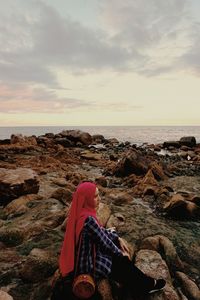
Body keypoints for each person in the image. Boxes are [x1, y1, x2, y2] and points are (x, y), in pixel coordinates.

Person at [58, 181, 166, 299]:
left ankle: (142, 284)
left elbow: (100, 233)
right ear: (86, 199)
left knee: (118, 252)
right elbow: (106, 243)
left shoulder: (80, 212)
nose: (99, 199)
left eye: (98, 195)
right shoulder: (88, 219)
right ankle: (147, 285)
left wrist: (117, 237)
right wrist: (122, 255)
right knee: (121, 262)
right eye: (95, 196)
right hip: (88, 266)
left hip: (83, 258)